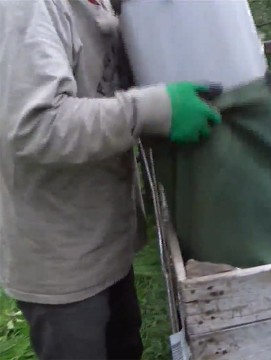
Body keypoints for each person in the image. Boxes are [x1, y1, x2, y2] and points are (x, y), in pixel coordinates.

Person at [0, 0, 221, 359]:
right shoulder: (28, 7)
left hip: (105, 245)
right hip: (63, 265)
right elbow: (36, 127)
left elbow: (104, 85)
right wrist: (153, 109)